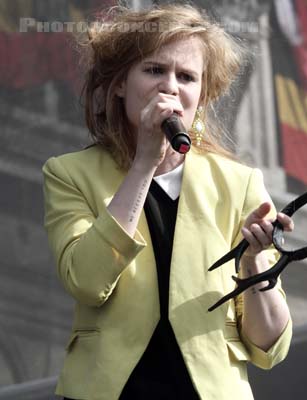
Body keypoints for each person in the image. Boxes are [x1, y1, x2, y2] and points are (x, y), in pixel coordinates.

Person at [42, 3, 293, 400]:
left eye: (187, 76)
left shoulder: (239, 184)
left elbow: (270, 346)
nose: (171, 86)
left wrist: (253, 262)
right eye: (155, 69)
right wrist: (144, 162)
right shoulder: (70, 174)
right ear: (121, 83)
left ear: (201, 95)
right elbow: (87, 282)